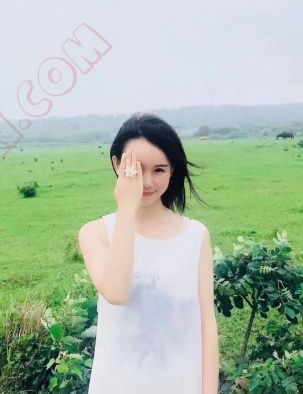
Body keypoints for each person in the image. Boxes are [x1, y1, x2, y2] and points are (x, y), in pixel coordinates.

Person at [78, 113, 220, 394]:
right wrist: (126, 209)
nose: (147, 182)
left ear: (172, 170)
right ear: (117, 165)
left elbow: (206, 324)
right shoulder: (95, 232)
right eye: (136, 169)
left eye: (159, 170)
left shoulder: (195, 235)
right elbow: (116, 292)